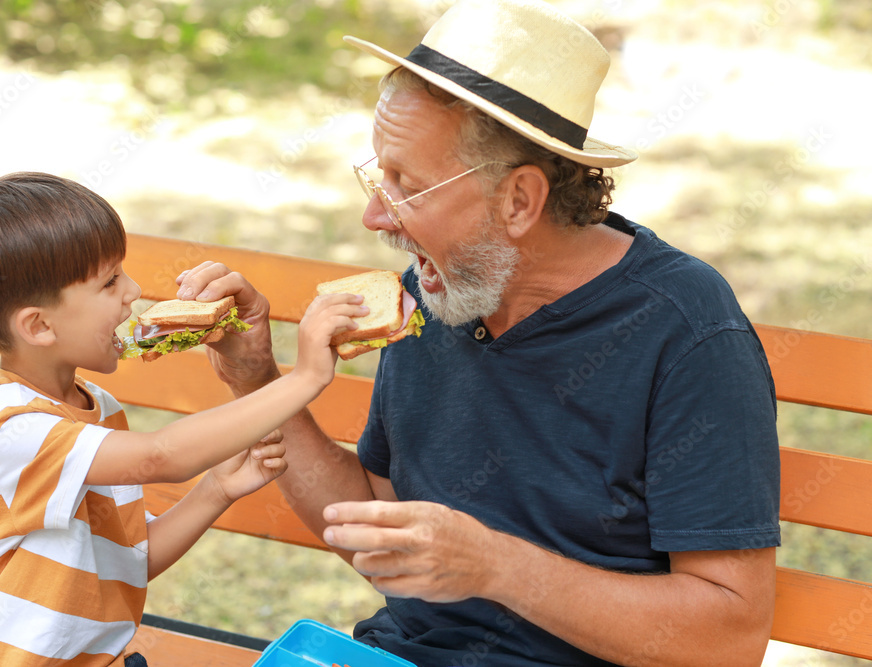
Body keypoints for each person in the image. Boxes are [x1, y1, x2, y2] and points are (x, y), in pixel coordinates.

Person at [176, 1, 781, 665]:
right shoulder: (435, 293)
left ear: (520, 200)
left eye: (406, 183)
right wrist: (255, 377)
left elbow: (731, 639)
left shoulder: (687, 330)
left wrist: (498, 566)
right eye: (379, 173)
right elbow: (377, 523)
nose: (374, 215)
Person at [0, 172, 367, 667]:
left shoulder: (99, 408)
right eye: (109, 282)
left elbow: (128, 562)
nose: (133, 291)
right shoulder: (5, 427)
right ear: (39, 326)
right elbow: (160, 456)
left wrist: (216, 489)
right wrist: (302, 379)